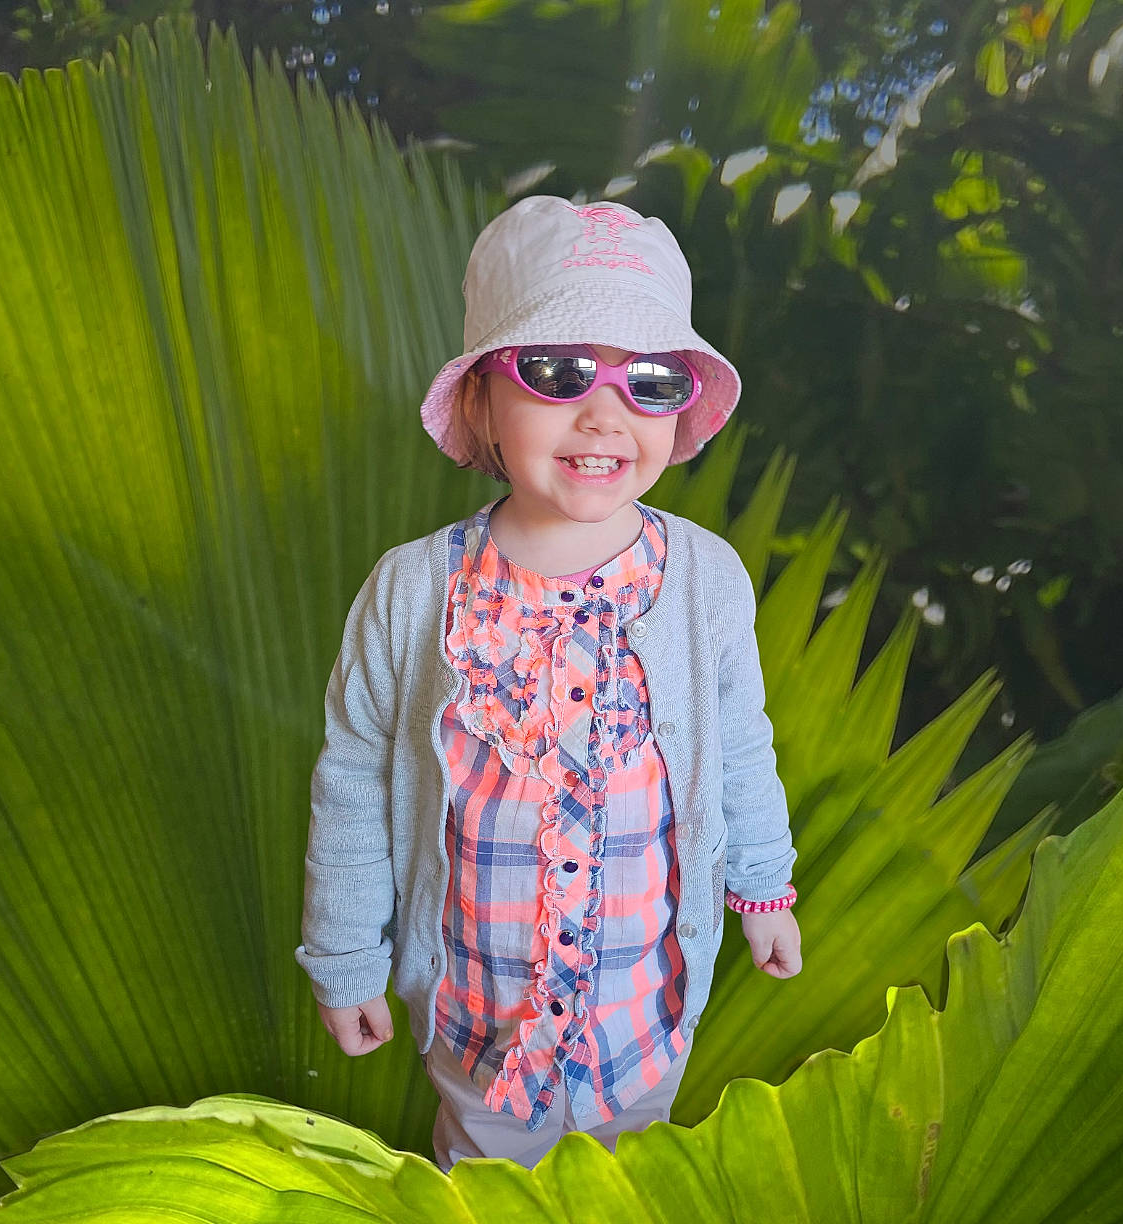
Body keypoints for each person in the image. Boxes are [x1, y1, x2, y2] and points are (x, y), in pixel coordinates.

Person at [294, 195, 801, 1173]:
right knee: (487, 1216)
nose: (605, 413)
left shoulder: (705, 579)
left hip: (641, 1013)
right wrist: (346, 955)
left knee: (623, 1205)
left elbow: (739, 742)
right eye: (558, 372)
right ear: (481, 400)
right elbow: (353, 778)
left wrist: (762, 884)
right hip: (479, 1020)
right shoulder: (412, 590)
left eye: (650, 381)